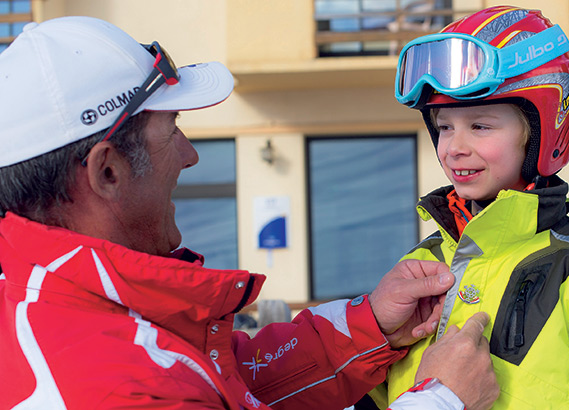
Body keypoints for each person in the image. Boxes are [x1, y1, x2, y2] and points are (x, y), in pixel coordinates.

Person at [0, 16, 498, 410]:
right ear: (107, 172)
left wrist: (369, 325)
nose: (190, 154)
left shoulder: (66, 302)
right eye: (173, 129)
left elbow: (231, 377)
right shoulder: (111, 389)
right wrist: (440, 399)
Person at [367, 5, 569, 409]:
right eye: (444, 126)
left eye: (480, 126)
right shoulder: (421, 266)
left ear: (542, 132)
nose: (455, 148)